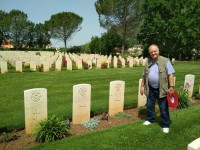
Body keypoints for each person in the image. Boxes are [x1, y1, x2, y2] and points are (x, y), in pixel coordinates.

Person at [140, 44, 175, 133]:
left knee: (163, 108)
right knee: (149, 105)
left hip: (162, 89)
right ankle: (150, 119)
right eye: (151, 52)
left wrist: (171, 87)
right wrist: (142, 86)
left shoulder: (165, 60)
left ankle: (165, 125)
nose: (153, 53)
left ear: (158, 51)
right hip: (150, 88)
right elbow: (144, 76)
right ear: (149, 53)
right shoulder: (147, 62)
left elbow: (170, 75)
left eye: (155, 51)